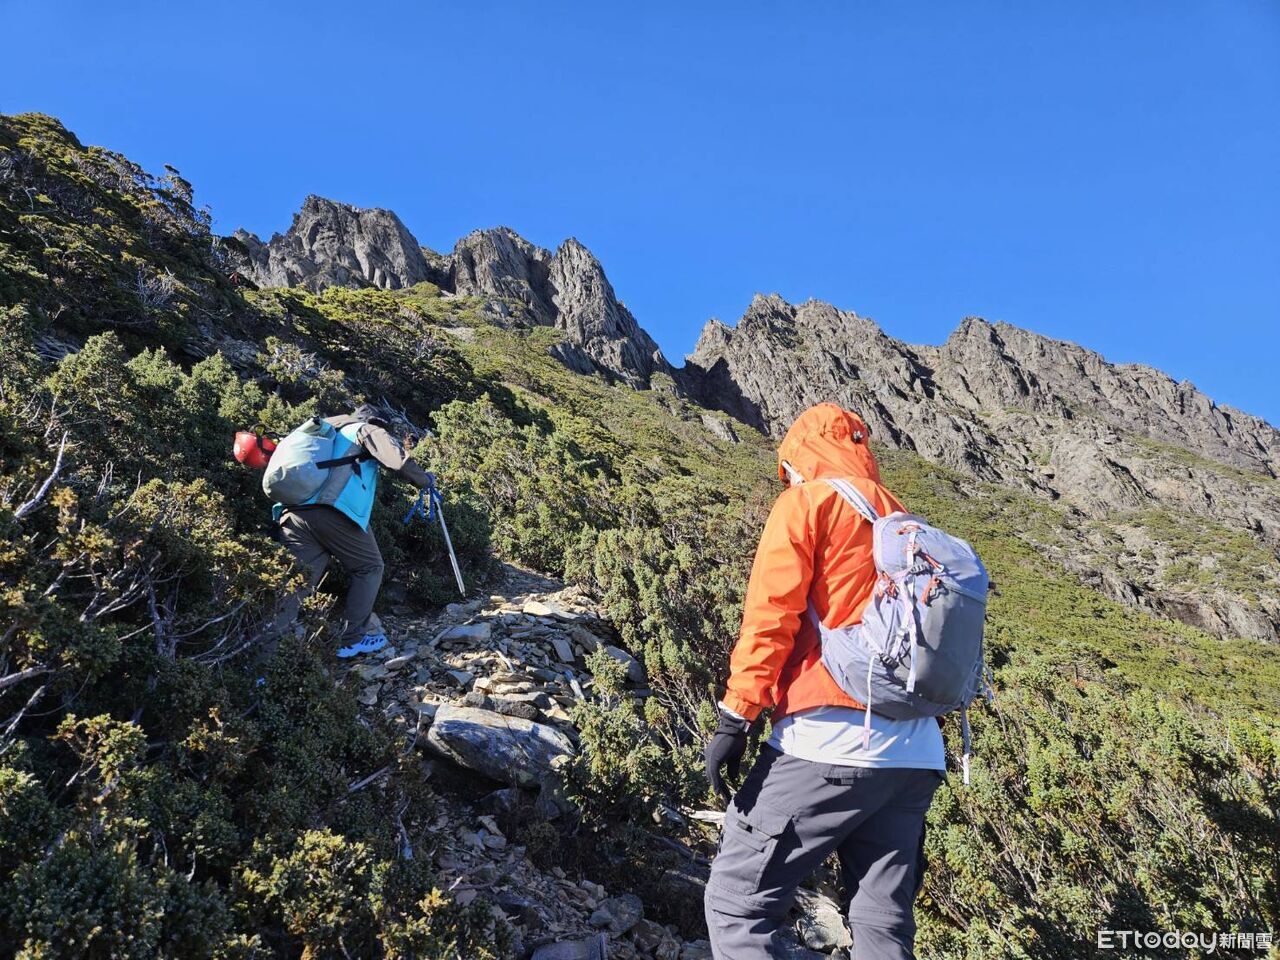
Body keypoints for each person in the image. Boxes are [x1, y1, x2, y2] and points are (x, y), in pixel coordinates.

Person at [704, 402, 945, 960]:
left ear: (796, 460)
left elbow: (773, 614)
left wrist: (736, 715)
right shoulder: (908, 523)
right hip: (915, 753)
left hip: (828, 740)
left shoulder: (806, 502)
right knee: (882, 922)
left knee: (739, 903)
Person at [273, 403, 432, 658]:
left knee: (296, 583)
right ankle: (351, 640)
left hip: (293, 512)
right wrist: (425, 480)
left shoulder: (325, 432)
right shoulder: (365, 430)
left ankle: (264, 657)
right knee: (369, 567)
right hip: (333, 511)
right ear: (377, 421)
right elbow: (397, 462)